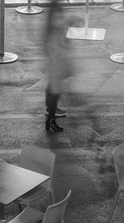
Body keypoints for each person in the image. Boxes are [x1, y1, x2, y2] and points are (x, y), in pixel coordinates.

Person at [44, 0, 73, 132]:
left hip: (57, 64)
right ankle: (51, 118)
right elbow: (53, 47)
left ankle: (50, 112)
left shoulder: (56, 27)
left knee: (53, 89)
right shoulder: (52, 31)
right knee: (55, 92)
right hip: (55, 65)